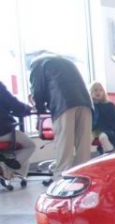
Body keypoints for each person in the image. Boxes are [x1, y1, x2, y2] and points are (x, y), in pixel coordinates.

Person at [29, 55, 93, 185]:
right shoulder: (66, 62)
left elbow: (38, 90)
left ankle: (60, 181)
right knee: (83, 145)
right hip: (85, 103)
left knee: (65, 146)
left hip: (63, 104)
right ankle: (83, 178)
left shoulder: (37, 65)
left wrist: (39, 110)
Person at [0, 80, 36, 179]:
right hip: (3, 132)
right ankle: (6, 169)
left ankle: (15, 174)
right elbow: (15, 105)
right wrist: (27, 109)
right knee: (30, 145)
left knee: (18, 148)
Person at [89, 82, 115, 152]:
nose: (98, 92)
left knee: (104, 136)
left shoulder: (110, 105)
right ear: (91, 92)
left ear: (104, 92)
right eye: (95, 90)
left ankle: (112, 152)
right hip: (96, 130)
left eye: (100, 90)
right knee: (98, 137)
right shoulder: (91, 107)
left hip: (111, 129)